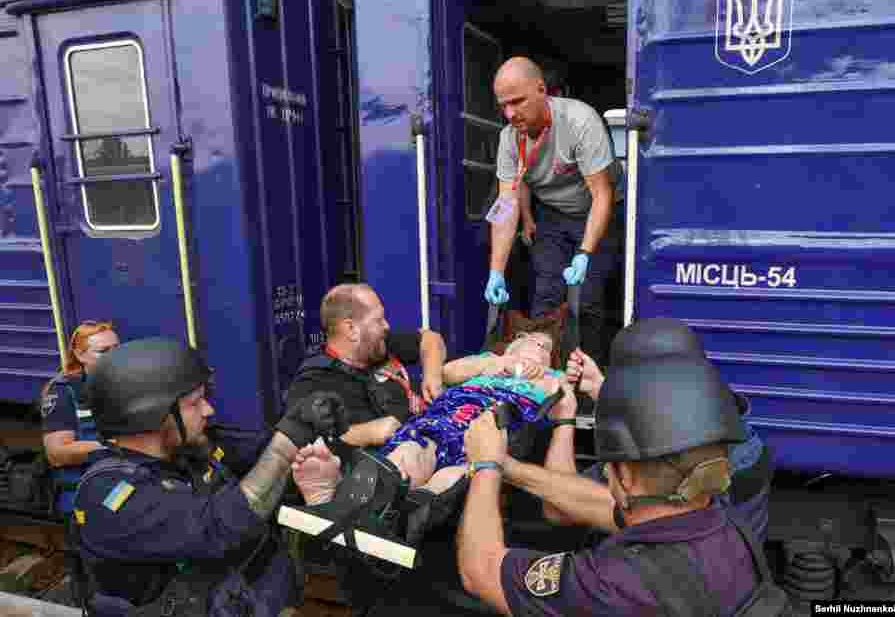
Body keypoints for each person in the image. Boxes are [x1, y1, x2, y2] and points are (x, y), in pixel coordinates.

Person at [456, 319, 789, 616]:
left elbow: (480, 570)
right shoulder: (719, 520)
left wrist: (484, 467)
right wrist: (508, 466)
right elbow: (601, 505)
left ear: (625, 478)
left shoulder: (613, 583)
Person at [71, 337, 345, 617]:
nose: (208, 409)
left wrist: (305, 420)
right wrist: (284, 446)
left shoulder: (189, 449)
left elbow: (255, 453)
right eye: (195, 402)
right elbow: (218, 526)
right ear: (149, 414)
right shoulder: (109, 496)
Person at [287, 332, 569, 549]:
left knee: (456, 473)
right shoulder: (486, 361)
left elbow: (564, 401)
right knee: (410, 451)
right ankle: (348, 505)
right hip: (444, 419)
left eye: (546, 348)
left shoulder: (554, 378)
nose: (538, 348)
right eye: (530, 341)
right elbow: (447, 373)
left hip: (491, 430)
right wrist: (497, 363)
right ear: (511, 346)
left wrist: (544, 377)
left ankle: (398, 515)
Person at [503, 319, 773, 545]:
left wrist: (563, 421)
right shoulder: (734, 434)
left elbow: (559, 508)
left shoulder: (664, 471)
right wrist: (602, 391)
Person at [484, 56, 623, 366]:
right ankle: (543, 376)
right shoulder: (509, 139)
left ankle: (587, 384)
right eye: (503, 105)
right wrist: (496, 271)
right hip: (553, 213)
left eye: (517, 102)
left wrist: (585, 253)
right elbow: (505, 207)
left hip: (597, 210)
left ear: (541, 89)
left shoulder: (579, 121)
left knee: (586, 301)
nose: (510, 114)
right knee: (546, 295)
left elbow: (602, 194)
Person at [285, 283, 446, 461]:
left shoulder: (378, 346)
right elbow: (297, 441)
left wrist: (432, 375)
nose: (386, 326)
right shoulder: (314, 380)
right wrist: (367, 433)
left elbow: (430, 339)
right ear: (351, 329)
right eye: (378, 320)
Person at [40, 320, 121, 516]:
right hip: (86, 499)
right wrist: (114, 446)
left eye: (117, 349)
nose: (114, 357)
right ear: (80, 355)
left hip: (120, 492)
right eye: (103, 351)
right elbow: (57, 453)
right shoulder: (64, 391)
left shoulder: (124, 383)